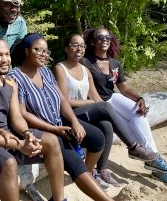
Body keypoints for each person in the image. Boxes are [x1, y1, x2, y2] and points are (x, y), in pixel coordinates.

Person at [9, 33, 114, 201]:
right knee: (74, 163)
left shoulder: (45, 72)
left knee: (97, 138)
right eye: (39, 50)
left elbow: (62, 100)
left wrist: (74, 121)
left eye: (46, 51)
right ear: (27, 51)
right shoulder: (15, 77)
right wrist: (54, 129)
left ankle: (82, 174)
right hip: (42, 131)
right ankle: (79, 176)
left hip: (59, 122)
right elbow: (22, 113)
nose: (44, 54)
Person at [0, 37, 66, 201]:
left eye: (7, 54)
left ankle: (60, 199)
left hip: (9, 136)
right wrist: (19, 145)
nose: (4, 60)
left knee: (51, 140)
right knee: (9, 163)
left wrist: (26, 134)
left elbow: (16, 117)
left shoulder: (11, 83)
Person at [81, 27, 167, 188]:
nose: (105, 39)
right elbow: (90, 92)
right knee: (124, 124)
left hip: (112, 97)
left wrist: (140, 98)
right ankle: (154, 162)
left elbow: (125, 89)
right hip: (97, 103)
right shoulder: (85, 62)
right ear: (92, 41)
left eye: (108, 36)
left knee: (138, 112)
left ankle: (154, 159)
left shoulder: (114, 63)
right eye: (100, 37)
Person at [53, 34, 158, 188]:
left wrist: (105, 111)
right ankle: (134, 147)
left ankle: (101, 170)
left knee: (107, 124)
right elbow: (65, 101)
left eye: (82, 46)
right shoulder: (60, 68)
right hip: (69, 114)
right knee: (105, 108)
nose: (79, 49)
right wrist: (93, 103)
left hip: (85, 112)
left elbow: (96, 97)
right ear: (66, 47)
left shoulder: (84, 69)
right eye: (75, 45)